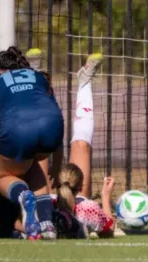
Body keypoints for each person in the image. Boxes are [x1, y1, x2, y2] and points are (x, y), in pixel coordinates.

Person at [0, 47, 65, 239]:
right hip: (53, 126)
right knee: (34, 167)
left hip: (18, 129)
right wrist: (57, 167)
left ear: (2, 70)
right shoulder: (39, 78)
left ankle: (22, 195)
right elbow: (53, 115)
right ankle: (47, 224)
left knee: (2, 176)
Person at [51, 53, 120, 239]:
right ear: (81, 185)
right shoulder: (88, 208)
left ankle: (37, 81)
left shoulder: (43, 203)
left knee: (37, 147)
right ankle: (84, 83)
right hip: (79, 209)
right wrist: (105, 196)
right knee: (81, 145)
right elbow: (109, 229)